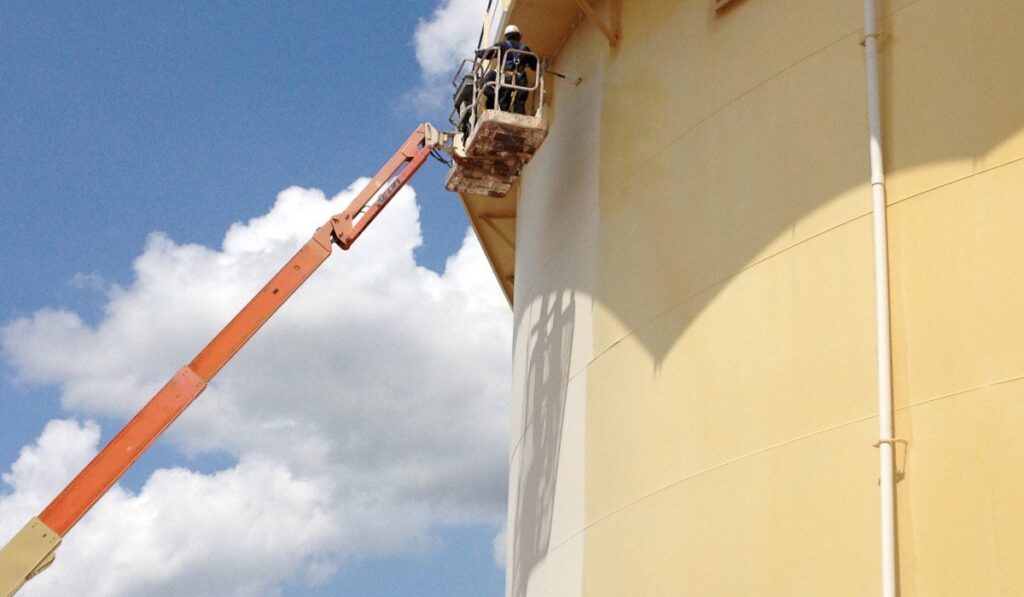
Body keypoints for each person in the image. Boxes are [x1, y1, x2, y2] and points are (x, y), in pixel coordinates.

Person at [475, 25, 538, 114]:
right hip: (520, 80)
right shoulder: (525, 48)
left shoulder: (501, 45)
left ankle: (498, 104)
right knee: (520, 101)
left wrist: (478, 52)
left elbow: (488, 53)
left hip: (505, 78)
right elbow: (534, 64)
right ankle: (518, 116)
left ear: (507, 36)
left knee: (493, 89)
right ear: (518, 36)